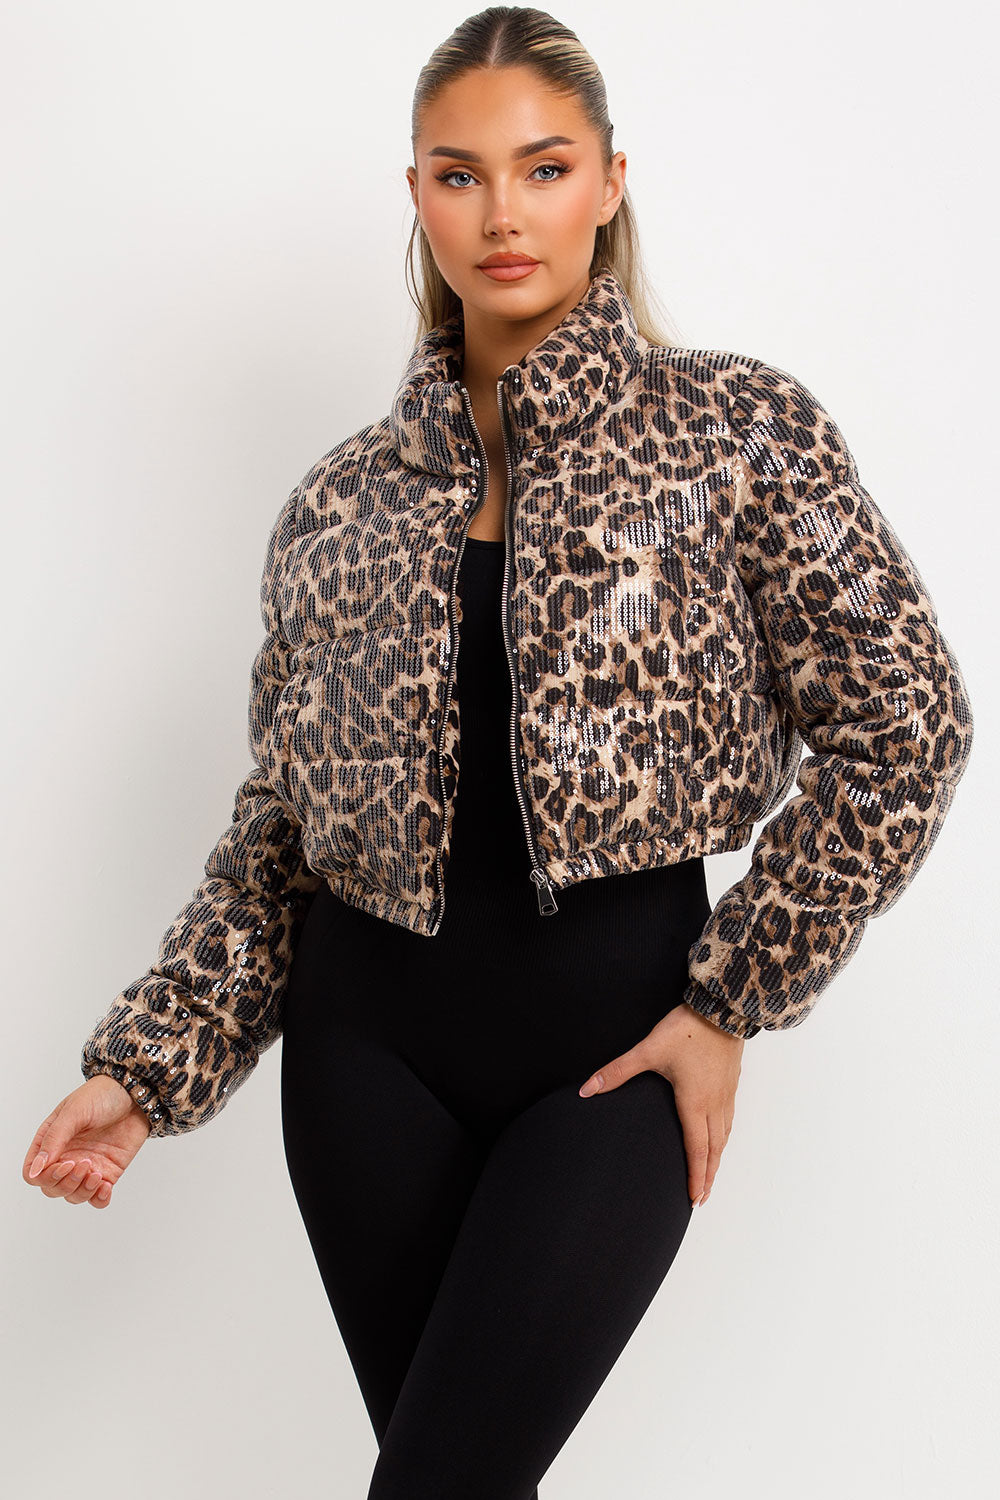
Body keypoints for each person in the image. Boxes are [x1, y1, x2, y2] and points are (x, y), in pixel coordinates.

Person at [22, 8, 974, 1496]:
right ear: (417, 195)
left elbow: (908, 722)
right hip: (367, 1060)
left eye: (544, 167)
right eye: (460, 175)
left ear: (609, 181)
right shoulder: (340, 505)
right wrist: (147, 1068)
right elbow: (281, 833)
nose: (503, 214)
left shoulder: (739, 436)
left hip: (613, 1053)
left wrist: (732, 998)